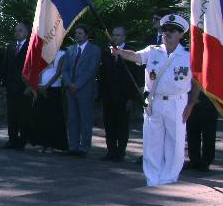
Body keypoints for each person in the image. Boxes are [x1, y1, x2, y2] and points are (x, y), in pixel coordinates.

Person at [112, 13, 200, 186]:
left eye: (173, 30)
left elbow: (197, 81)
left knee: (175, 142)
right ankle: (152, 179)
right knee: (152, 142)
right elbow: (136, 56)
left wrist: (191, 103)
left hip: (177, 101)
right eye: (165, 29)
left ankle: (169, 178)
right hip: (154, 101)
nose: (168, 33)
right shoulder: (153, 51)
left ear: (181, 34)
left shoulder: (188, 56)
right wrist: (120, 52)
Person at [99, 26, 143, 161]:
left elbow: (136, 77)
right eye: (113, 34)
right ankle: (111, 151)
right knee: (109, 124)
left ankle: (120, 152)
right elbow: (103, 76)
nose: (114, 37)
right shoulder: (107, 53)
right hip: (109, 95)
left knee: (122, 125)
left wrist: (131, 98)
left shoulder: (131, 53)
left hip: (124, 97)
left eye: (118, 35)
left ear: (124, 37)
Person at [61, 24, 101, 157]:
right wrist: (68, 83)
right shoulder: (70, 49)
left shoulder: (94, 50)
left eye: (80, 33)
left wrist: (76, 85)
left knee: (85, 119)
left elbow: (91, 71)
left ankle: (84, 148)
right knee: (72, 119)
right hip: (70, 91)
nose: (77, 35)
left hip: (85, 91)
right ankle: (73, 146)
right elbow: (64, 69)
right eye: (76, 33)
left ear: (86, 34)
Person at [30, 47, 68, 153]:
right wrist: (40, 85)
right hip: (41, 87)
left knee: (52, 117)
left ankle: (52, 144)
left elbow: (57, 73)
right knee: (41, 115)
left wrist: (47, 85)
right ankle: (43, 143)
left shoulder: (62, 54)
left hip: (54, 88)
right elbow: (40, 71)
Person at [2, 22, 31, 149]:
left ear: (26, 32)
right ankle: (12, 139)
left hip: (24, 88)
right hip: (11, 87)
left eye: (20, 30)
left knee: (23, 114)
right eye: (16, 31)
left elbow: (33, 69)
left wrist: (30, 86)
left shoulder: (31, 47)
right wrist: (4, 84)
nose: (17, 33)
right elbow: (5, 67)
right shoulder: (11, 47)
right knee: (12, 114)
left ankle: (22, 141)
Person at [184, 91, 218, 171]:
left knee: (208, 133)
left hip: (209, 99)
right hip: (191, 101)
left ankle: (206, 161)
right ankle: (194, 160)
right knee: (192, 132)